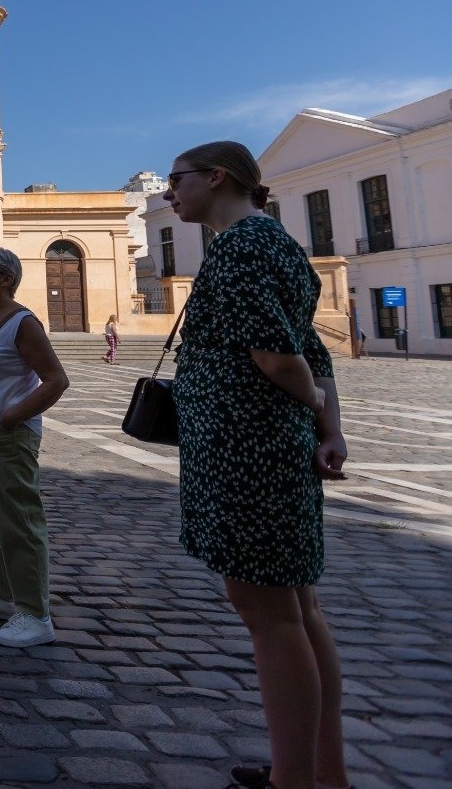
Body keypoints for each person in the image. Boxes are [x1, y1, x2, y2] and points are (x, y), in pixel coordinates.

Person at [162, 142, 350, 789]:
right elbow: (312, 348)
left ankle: (292, 780)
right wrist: (329, 428)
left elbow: (278, 356)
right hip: (271, 443)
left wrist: (313, 402)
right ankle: (324, 771)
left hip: (248, 449)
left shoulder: (240, 248)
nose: (169, 193)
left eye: (177, 180)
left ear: (216, 178)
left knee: (268, 614)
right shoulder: (279, 245)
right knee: (299, 609)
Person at [0, 247, 70, 648]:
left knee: (18, 521)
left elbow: (56, 380)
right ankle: (4, 594)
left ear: (6, 280)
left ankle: (36, 614)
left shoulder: (23, 323)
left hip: (8, 434)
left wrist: (11, 417)